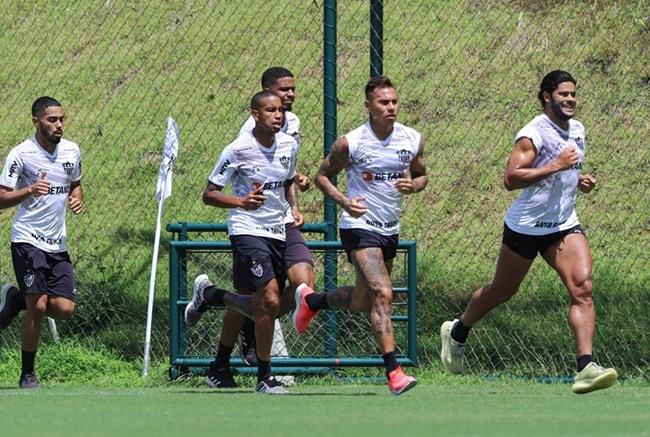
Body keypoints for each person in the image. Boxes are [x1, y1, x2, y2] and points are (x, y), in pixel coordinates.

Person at [439, 70, 618, 394]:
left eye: (573, 94)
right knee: (501, 292)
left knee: (583, 287)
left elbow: (563, 173)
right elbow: (511, 178)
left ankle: (586, 367)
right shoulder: (533, 134)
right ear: (547, 97)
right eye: (563, 94)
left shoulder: (577, 130)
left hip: (562, 224)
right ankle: (458, 331)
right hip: (526, 226)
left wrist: (578, 179)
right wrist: (557, 166)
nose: (570, 100)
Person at [292, 76, 428, 396]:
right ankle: (394, 373)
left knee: (362, 299)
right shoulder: (350, 143)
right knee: (382, 292)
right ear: (368, 106)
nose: (391, 107)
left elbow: (422, 176)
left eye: (394, 101)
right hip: (359, 227)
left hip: (389, 229)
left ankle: (311, 301)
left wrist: (414, 185)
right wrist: (344, 202)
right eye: (384, 102)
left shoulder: (411, 139)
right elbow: (322, 176)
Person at [185, 67, 314, 388]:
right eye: (272, 108)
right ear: (256, 114)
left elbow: (286, 178)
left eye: (282, 108)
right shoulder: (239, 146)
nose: (281, 111)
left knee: (300, 287)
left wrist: (295, 204)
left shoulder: (288, 141)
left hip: (281, 224)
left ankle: (214, 299)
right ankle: (265, 374)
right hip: (248, 228)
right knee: (268, 300)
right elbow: (209, 194)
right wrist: (242, 202)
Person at [0, 96, 83, 389]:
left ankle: (14, 299)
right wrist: (30, 190)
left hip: (57, 244)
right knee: (37, 307)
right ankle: (27, 374)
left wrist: (76, 197)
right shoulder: (21, 154)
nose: (59, 124)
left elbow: (75, 183)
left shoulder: (72, 151)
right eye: (52, 120)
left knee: (63, 309)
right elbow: (1, 198)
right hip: (27, 239)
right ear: (36, 122)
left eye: (61, 119)